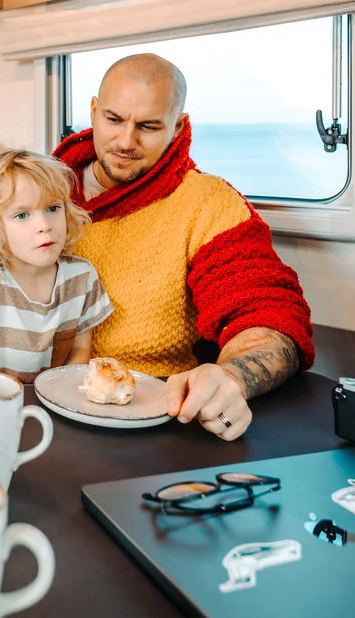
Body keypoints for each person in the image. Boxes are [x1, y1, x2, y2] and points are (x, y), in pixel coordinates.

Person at [52, 53, 314, 441]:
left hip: (155, 413)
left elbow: (266, 309)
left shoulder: (208, 203)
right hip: (40, 395)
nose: (126, 141)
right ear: (93, 110)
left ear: (178, 126)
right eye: (113, 119)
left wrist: (231, 377)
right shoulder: (43, 190)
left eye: (149, 126)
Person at [0, 150, 113, 383]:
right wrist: (12, 393)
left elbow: (80, 351)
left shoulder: (82, 276)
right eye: (23, 215)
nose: (44, 225)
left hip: (53, 400)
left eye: (53, 208)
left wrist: (56, 392)